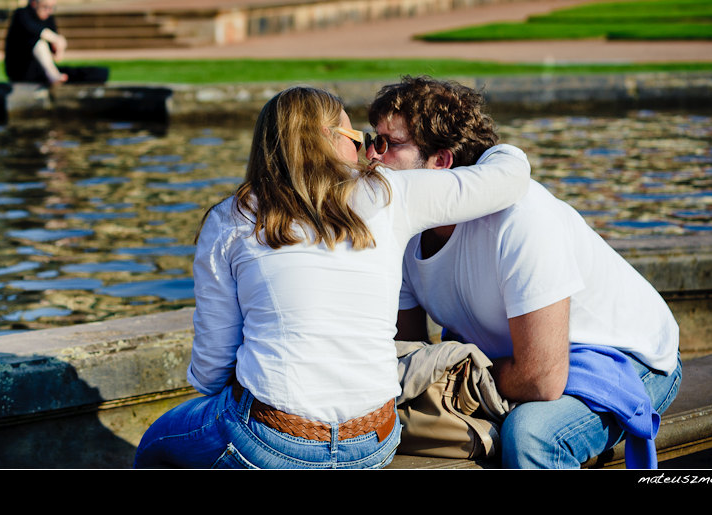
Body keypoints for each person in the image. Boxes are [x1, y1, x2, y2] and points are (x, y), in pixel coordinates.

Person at [133, 86, 531, 469]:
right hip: (373, 440)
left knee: (155, 444)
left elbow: (211, 366)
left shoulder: (230, 219)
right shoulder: (392, 194)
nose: (365, 151)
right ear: (328, 139)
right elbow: (509, 177)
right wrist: (492, 147)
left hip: (272, 441)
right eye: (356, 139)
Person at [367, 76, 682, 469]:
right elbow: (408, 356)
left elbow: (542, 380)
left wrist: (464, 376)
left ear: (441, 162)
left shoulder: (521, 218)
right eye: (370, 141)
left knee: (530, 435)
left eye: (386, 144)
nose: (372, 157)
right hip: (515, 362)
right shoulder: (396, 227)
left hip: (627, 358)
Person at [3, 0, 108, 86]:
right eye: (45, 7)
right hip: (20, 69)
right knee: (38, 42)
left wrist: (58, 47)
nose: (49, 11)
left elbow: (56, 55)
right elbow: (35, 31)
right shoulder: (21, 14)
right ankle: (53, 75)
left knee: (91, 73)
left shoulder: (48, 19)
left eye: (52, 7)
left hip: (40, 69)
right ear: (34, 3)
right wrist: (56, 39)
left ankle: (58, 75)